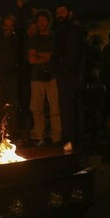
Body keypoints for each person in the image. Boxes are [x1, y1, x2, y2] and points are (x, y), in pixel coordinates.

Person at [52, 3, 87, 150]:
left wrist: (63, 69)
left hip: (69, 77)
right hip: (71, 75)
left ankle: (70, 141)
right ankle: (75, 141)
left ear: (70, 13)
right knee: (72, 109)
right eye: (57, 12)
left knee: (69, 110)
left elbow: (71, 55)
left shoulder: (72, 29)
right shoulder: (66, 29)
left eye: (62, 11)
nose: (60, 14)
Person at [25, 10, 61, 145]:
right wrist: (48, 56)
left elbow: (56, 57)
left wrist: (40, 54)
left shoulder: (54, 38)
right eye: (38, 21)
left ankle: (57, 136)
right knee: (37, 108)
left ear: (49, 21)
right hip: (36, 77)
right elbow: (32, 59)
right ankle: (39, 135)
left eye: (43, 20)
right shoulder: (33, 39)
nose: (41, 23)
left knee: (55, 108)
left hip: (52, 76)